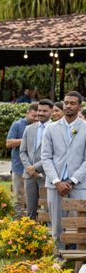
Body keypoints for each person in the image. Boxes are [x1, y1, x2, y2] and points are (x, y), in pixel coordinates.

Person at [41, 92, 86, 249]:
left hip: (79, 185)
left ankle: (79, 258)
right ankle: (57, 257)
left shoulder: (85, 128)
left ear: (79, 106)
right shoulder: (51, 129)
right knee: (57, 225)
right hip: (55, 185)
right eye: (66, 102)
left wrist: (72, 181)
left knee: (81, 224)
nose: (68, 106)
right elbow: (45, 157)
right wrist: (57, 181)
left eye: (72, 103)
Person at [20, 100, 52, 220]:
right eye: (39, 110)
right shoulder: (29, 128)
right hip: (29, 175)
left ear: (51, 112)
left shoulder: (55, 128)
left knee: (49, 210)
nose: (41, 113)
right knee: (30, 211)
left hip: (46, 175)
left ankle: (51, 237)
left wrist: (36, 167)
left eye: (44, 111)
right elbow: (22, 151)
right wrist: (29, 167)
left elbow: (54, 154)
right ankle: (30, 236)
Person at [7, 103, 38, 217]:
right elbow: (9, 143)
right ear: (27, 113)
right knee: (18, 197)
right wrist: (25, 139)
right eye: (33, 116)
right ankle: (18, 223)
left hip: (35, 168)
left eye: (37, 116)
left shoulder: (40, 126)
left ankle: (35, 222)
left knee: (35, 197)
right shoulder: (17, 124)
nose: (36, 119)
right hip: (19, 167)